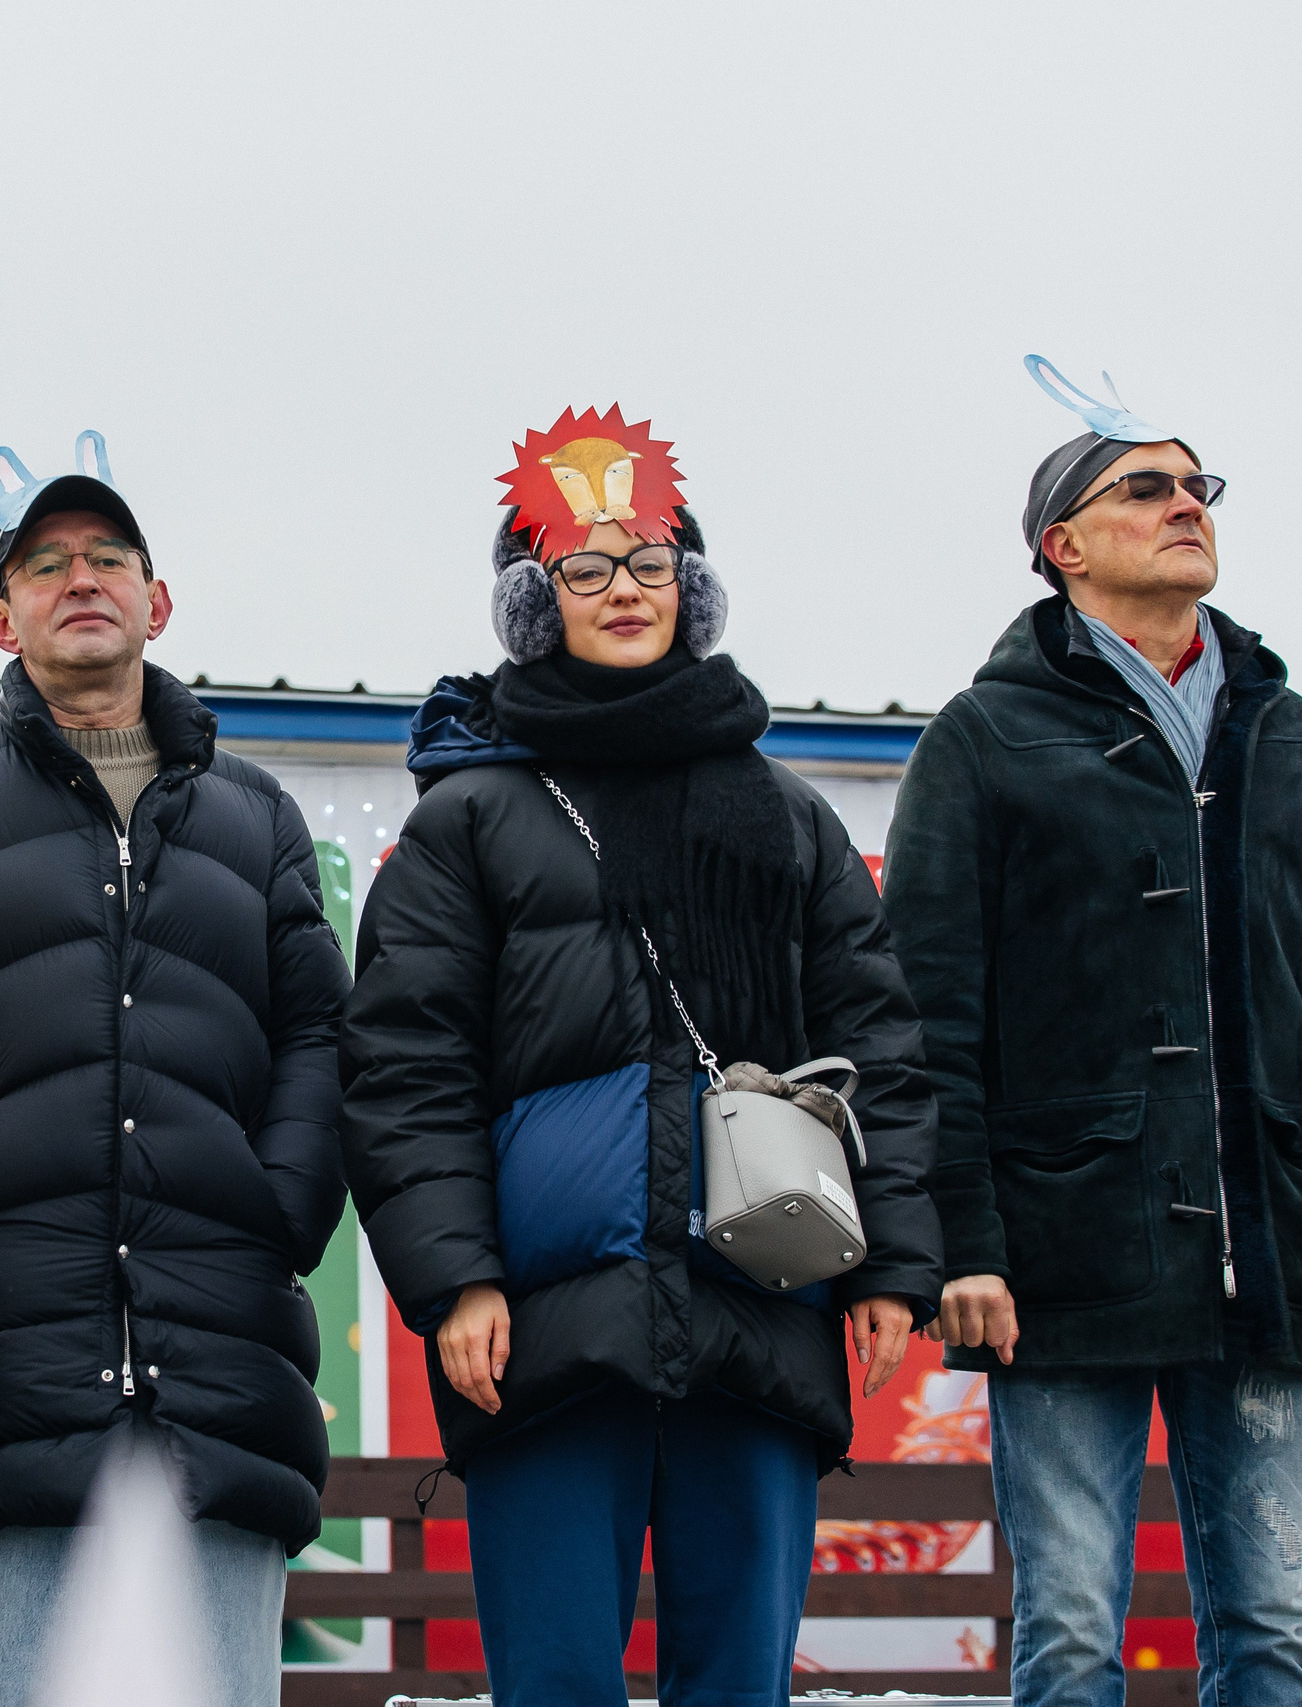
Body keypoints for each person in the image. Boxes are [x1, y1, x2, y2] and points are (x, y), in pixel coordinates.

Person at [340, 407, 941, 1707]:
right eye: (584, 565)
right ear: (533, 602)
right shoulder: (469, 818)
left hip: (758, 1307)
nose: (624, 588)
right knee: (555, 1682)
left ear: (694, 590)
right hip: (546, 1334)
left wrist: (894, 1257)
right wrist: (457, 1279)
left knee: (740, 1685)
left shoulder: (784, 813)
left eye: (652, 560)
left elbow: (875, 1036)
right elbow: (406, 1064)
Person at [880, 360, 1302, 1707]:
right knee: (1068, 1630)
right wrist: (966, 1241)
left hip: (1270, 1247)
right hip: (1062, 1256)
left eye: (1199, 484)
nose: (1186, 504)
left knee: (1272, 1627)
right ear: (1061, 544)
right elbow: (928, 1014)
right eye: (1147, 486)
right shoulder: (984, 737)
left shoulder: (1300, 741)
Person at [0, 435, 349, 1707]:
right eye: (45, 563)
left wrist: (280, 1209)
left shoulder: (257, 816)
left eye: (107, 558)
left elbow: (317, 1033)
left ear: (158, 600)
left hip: (221, 1364)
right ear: (0, 614)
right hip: (2, 1368)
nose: (79, 578)